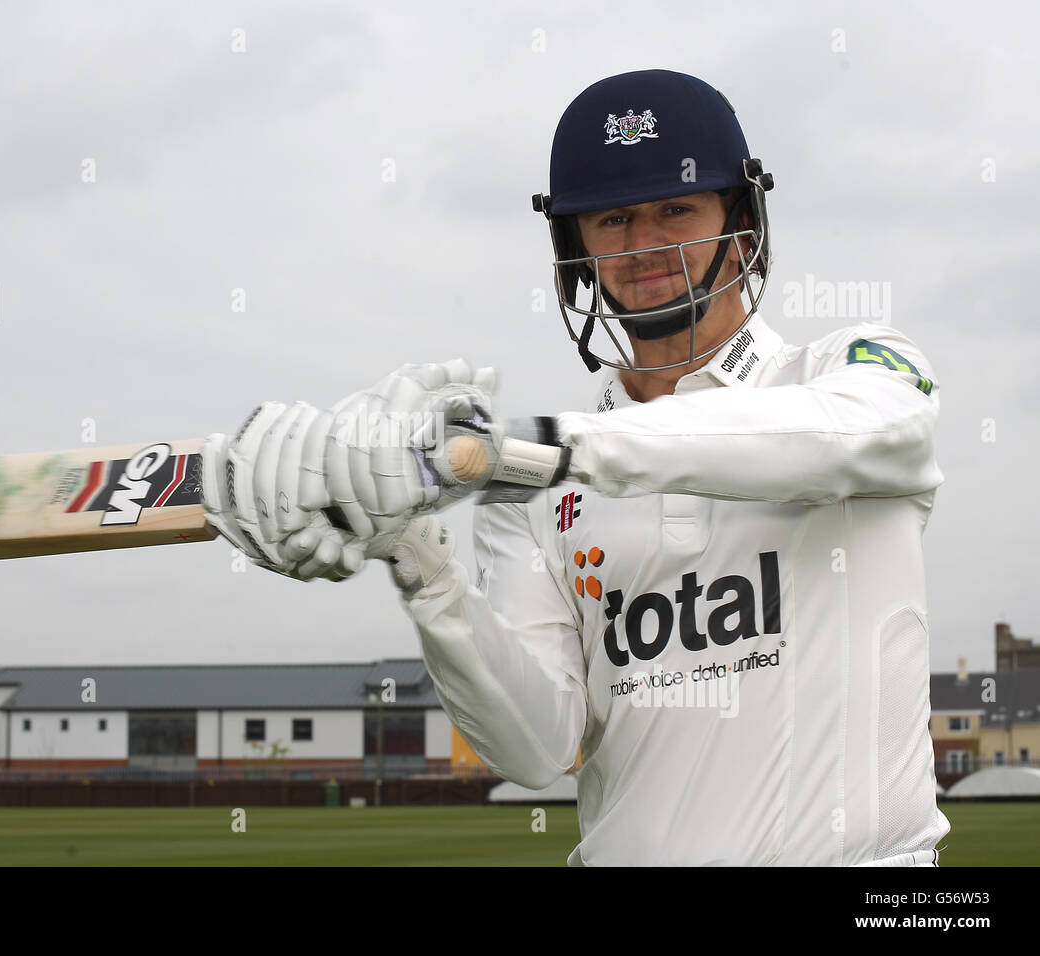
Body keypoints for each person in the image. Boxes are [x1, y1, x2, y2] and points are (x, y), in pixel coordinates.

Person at [202, 69, 948, 865]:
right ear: (575, 245)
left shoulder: (849, 371)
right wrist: (418, 559)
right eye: (614, 218)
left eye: (676, 210)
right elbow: (536, 748)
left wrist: (544, 450)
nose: (644, 245)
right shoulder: (526, 488)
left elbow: (854, 437)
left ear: (740, 215)